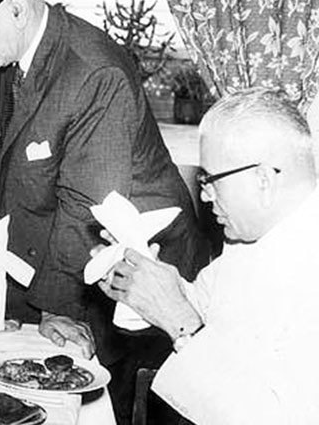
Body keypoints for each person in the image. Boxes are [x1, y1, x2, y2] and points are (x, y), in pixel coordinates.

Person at [0, 0, 210, 421]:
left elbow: (86, 209)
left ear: (16, 6)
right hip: (82, 241)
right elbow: (42, 133)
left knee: (98, 400)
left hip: (135, 265)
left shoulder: (93, 71)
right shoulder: (17, 50)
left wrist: (58, 309)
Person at [99, 88, 319, 424]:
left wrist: (178, 321)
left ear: (262, 179)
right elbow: (202, 307)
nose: (203, 194)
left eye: (211, 179)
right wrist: (142, 279)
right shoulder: (248, 235)